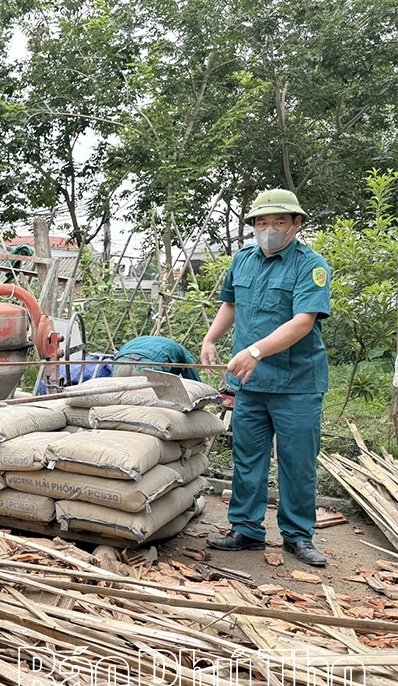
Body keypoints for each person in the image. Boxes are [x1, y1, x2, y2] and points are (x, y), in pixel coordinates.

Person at [201, 189, 331, 567]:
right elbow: (231, 304)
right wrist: (211, 338)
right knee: (248, 458)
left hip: (297, 383)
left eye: (278, 222)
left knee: (297, 462)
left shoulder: (310, 265)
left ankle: (297, 536)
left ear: (295, 224)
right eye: (261, 222)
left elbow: (303, 322)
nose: (269, 229)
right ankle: (246, 530)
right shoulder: (243, 260)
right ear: (253, 226)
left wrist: (256, 351)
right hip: (251, 384)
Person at [112, 336, 202, 381]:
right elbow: (194, 381)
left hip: (121, 363)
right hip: (148, 365)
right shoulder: (183, 352)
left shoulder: (140, 341)